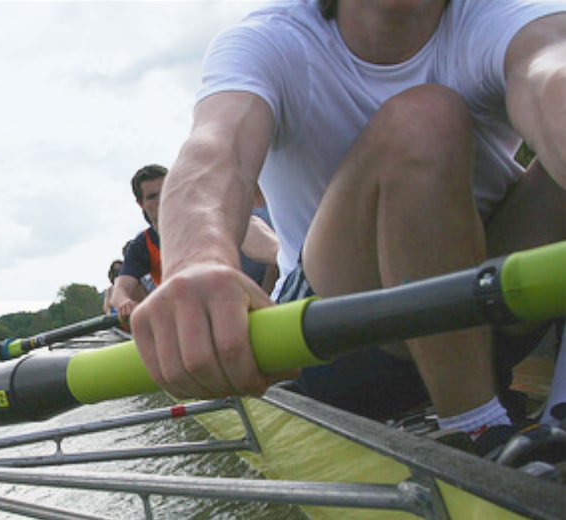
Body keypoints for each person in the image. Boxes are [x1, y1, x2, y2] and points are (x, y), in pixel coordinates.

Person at [131, 0, 566, 453]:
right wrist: (196, 262)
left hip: (492, 299)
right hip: (345, 337)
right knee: (425, 118)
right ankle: (477, 428)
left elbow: (552, 71)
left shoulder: (506, 11)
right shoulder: (271, 39)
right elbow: (216, 151)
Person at [112, 164, 280, 323]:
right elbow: (120, 291)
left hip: (244, 301)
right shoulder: (141, 246)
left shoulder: (210, 218)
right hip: (196, 317)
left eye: (167, 191)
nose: (163, 200)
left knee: (246, 224)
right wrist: (124, 303)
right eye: (153, 197)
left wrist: (269, 288)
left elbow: (266, 247)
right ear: (140, 204)